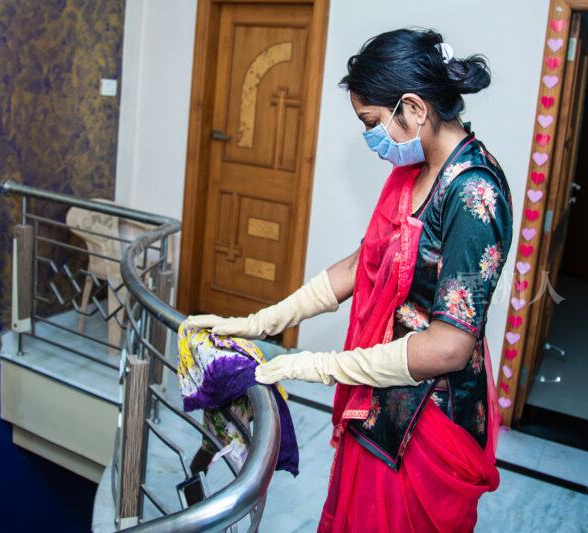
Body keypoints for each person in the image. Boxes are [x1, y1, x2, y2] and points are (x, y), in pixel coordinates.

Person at [187, 28, 513, 532]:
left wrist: (322, 366)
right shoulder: (418, 168)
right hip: (377, 395)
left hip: (428, 417)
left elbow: (449, 346)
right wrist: (261, 322)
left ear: (414, 109)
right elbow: (364, 265)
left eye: (373, 123)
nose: (371, 140)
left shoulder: (474, 194)